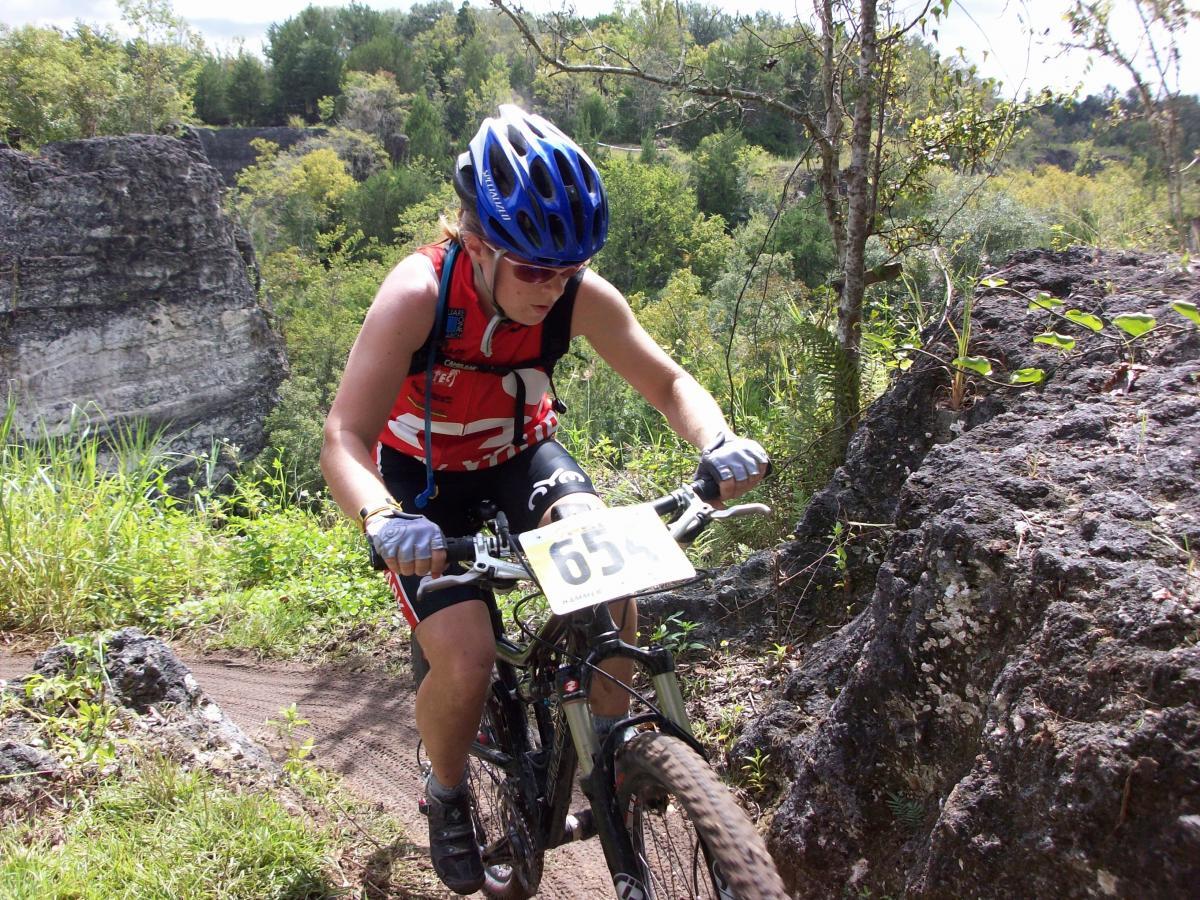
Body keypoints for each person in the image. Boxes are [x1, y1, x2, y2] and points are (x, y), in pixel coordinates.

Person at [321, 104, 768, 895]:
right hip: (423, 489)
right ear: (477, 242)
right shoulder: (418, 293)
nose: (552, 288)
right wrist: (384, 518)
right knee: (466, 655)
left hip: (522, 457)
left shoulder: (572, 294)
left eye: (568, 269)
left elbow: (667, 381)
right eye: (532, 270)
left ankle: (621, 749)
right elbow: (344, 439)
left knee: (612, 570)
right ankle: (447, 791)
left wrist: (717, 442)